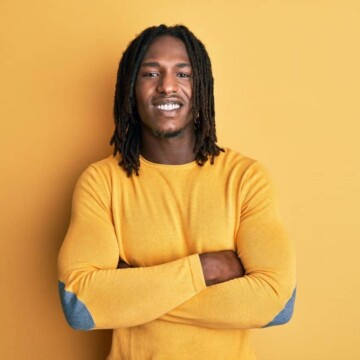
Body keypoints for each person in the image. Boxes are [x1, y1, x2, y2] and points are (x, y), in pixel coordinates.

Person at [57, 24, 296, 360]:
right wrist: (206, 269)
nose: (167, 86)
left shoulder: (246, 178)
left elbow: (278, 303)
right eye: (151, 73)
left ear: (200, 87)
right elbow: (80, 305)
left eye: (183, 74)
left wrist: (135, 290)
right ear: (130, 88)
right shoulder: (101, 182)